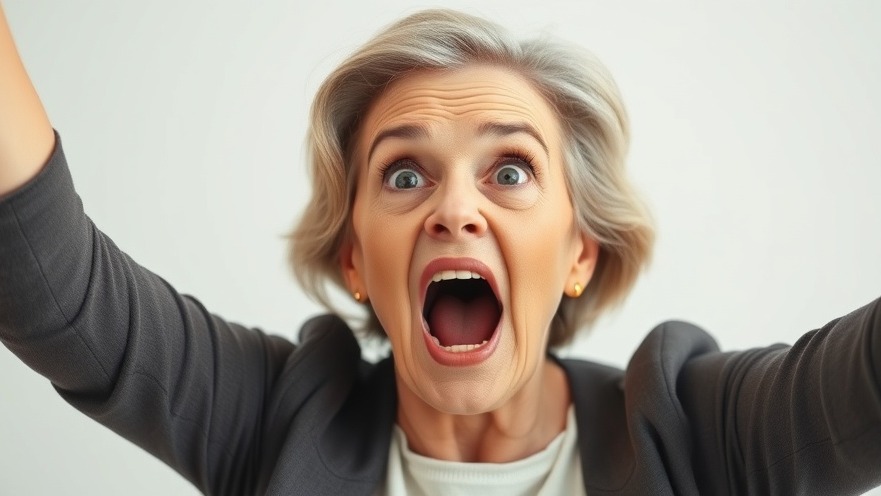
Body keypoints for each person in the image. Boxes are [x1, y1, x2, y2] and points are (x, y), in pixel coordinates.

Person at [1, 4, 880, 496]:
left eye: (510, 170)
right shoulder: (272, 421)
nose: (454, 209)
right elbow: (48, 284)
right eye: (404, 174)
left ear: (579, 252)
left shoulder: (701, 436)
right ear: (354, 258)